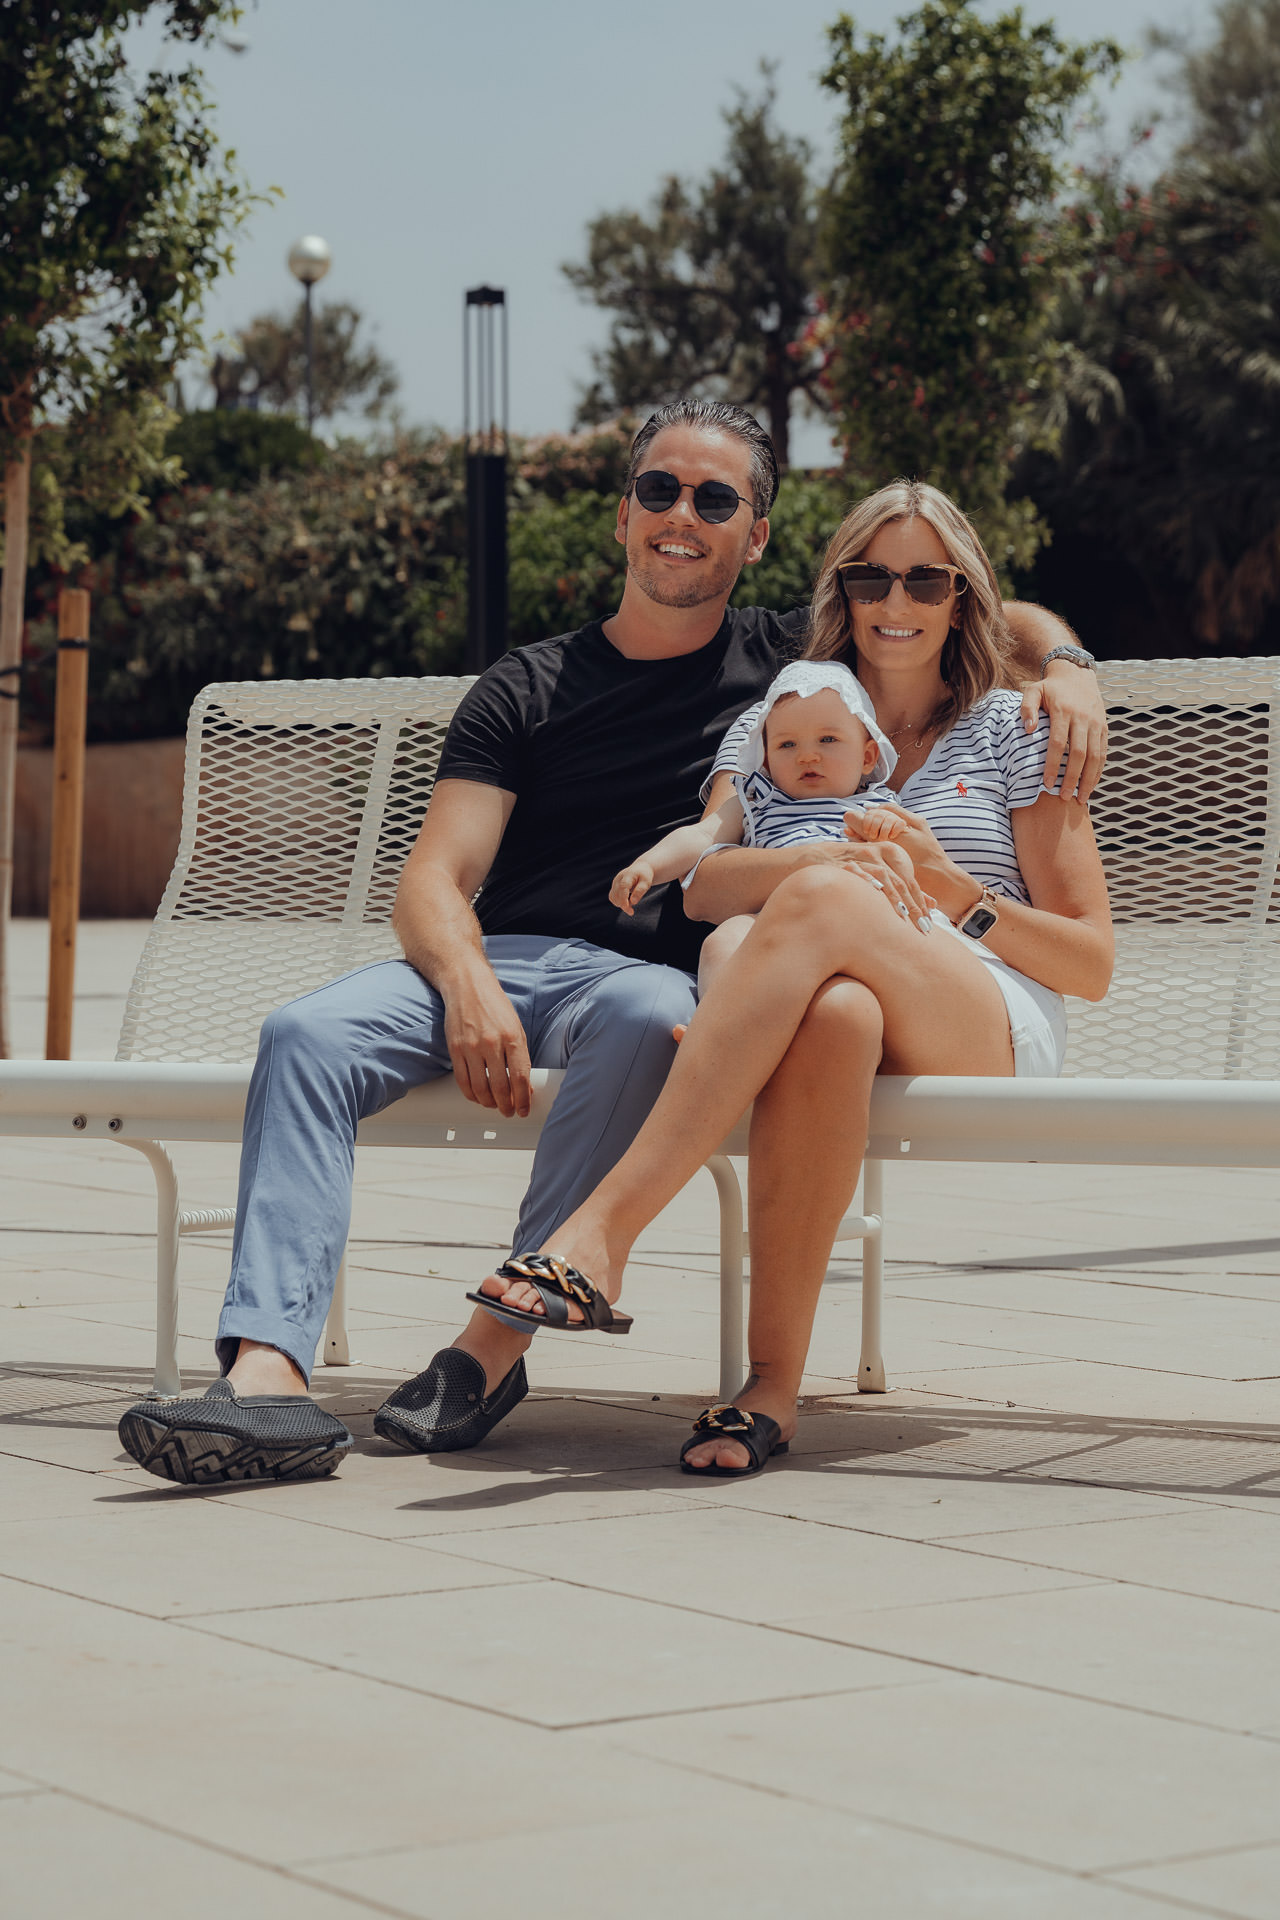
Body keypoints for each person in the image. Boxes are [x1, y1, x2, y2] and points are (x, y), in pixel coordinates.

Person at [116, 405, 1106, 1486]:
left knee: (665, 1003)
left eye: (714, 499)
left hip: (683, 983)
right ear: (622, 514)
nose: (682, 516)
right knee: (303, 1031)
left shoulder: (803, 668)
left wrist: (1067, 664)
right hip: (524, 959)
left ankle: (543, 1293)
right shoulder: (600, 691)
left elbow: (982, 609)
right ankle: (267, 1377)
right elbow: (447, 879)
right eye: (658, 491)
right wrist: (464, 983)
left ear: (756, 534)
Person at [471, 478, 1114, 1476]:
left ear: (960, 597)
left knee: (823, 896)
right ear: (842, 591)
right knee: (835, 1012)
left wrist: (949, 891)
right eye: (869, 578)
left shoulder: (1012, 730)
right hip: (825, 994)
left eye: (922, 580)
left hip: (981, 1008)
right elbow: (702, 892)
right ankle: (769, 1388)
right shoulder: (780, 719)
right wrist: (829, 866)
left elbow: (1090, 963)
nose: (893, 604)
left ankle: (600, 1230)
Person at [609, 660, 912, 1002]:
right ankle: (719, 1029)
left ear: (868, 756)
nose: (807, 756)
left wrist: (889, 828)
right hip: (771, 924)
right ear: (765, 761)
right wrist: (648, 866)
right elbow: (701, 836)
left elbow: (909, 858)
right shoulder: (756, 801)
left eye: (828, 739)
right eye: (787, 745)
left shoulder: (878, 806)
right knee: (723, 942)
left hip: (855, 924)